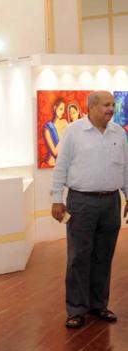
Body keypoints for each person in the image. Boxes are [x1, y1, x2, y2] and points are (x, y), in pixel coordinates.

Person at [51, 91, 126, 329]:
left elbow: (125, 168)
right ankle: (76, 309)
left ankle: (98, 305)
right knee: (78, 257)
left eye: (112, 105)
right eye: (106, 104)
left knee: (104, 256)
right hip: (81, 202)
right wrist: (56, 198)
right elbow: (60, 166)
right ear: (92, 107)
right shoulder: (73, 132)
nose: (111, 108)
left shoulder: (119, 133)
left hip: (111, 202)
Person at [42, 97, 67, 167]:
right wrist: (65, 135)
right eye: (61, 109)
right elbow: (55, 153)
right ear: (55, 108)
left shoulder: (65, 123)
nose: (63, 112)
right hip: (51, 163)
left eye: (64, 109)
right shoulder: (47, 128)